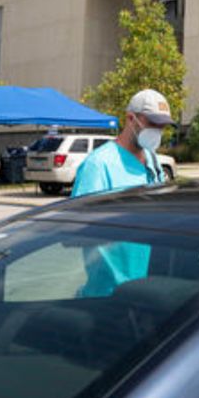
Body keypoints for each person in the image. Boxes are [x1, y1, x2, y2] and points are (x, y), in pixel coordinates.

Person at [71, 89, 173, 296]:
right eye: (153, 123)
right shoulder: (99, 165)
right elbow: (76, 232)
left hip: (147, 292)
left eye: (163, 126)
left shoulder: (153, 162)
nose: (158, 130)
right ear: (130, 119)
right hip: (109, 296)